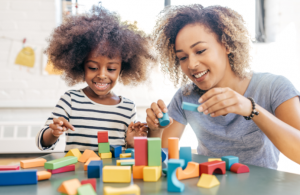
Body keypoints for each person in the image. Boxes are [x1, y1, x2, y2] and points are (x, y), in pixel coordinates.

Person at [147, 4, 300, 169]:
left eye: (200, 51)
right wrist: (155, 130)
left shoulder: (273, 87)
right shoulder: (186, 96)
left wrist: (250, 108)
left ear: (227, 45)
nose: (191, 64)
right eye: (183, 57)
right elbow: (158, 159)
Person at [36, 6, 155, 152]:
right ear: (81, 66)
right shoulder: (70, 100)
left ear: (122, 69)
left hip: (112, 174)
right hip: (78, 174)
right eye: (93, 67)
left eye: (111, 69)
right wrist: (54, 132)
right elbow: (42, 142)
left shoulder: (128, 108)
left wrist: (131, 144)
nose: (102, 75)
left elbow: (127, 153)